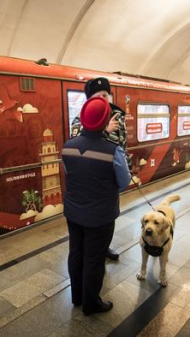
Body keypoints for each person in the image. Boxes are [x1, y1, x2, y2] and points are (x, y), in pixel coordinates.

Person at [61, 96, 130, 315]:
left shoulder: (68, 146)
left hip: (73, 212)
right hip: (100, 216)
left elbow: (71, 174)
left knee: (76, 253)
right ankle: (91, 304)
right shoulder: (113, 150)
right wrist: (105, 192)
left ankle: (77, 297)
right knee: (94, 259)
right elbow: (124, 181)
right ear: (105, 121)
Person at [71, 77, 131, 261]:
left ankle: (103, 248)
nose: (104, 99)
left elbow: (122, 146)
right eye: (99, 96)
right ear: (90, 100)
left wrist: (125, 171)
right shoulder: (79, 119)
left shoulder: (118, 118)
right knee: (88, 220)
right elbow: (78, 147)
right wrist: (105, 131)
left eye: (106, 95)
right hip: (88, 180)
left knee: (108, 219)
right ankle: (91, 253)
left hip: (109, 180)